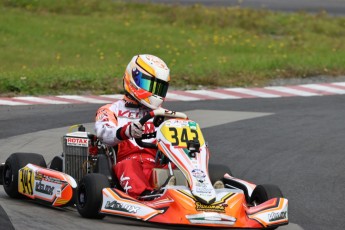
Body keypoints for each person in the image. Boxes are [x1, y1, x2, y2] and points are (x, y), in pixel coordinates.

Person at [94, 54, 175, 198]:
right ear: (134, 79)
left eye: (159, 88)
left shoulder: (165, 115)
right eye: (151, 85)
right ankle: (144, 195)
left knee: (179, 165)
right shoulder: (110, 110)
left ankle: (194, 189)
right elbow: (104, 133)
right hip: (126, 161)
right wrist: (126, 131)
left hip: (155, 163)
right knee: (129, 166)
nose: (155, 92)